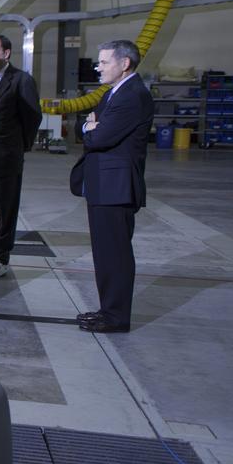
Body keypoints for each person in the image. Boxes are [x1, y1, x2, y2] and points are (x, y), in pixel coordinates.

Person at [70, 40, 154, 334]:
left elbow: (99, 138)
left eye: (104, 62)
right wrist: (90, 127)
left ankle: (116, 317)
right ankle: (108, 310)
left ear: (124, 64)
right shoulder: (115, 94)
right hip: (104, 183)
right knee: (105, 252)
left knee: (114, 254)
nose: (99, 67)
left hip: (115, 186)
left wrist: (91, 129)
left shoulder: (132, 96)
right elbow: (94, 129)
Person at [0, 36, 43, 280]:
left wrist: (17, 147)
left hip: (5, 156)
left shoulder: (20, 80)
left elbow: (32, 116)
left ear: (7, 53)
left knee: (4, 210)